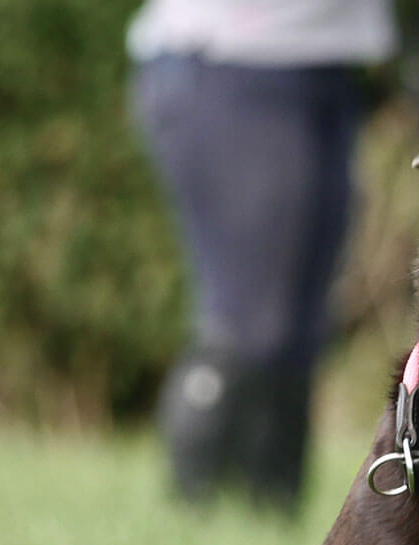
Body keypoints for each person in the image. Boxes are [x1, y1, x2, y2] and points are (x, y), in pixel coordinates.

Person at [127, 0, 396, 506]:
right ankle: (195, 512)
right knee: (250, 321)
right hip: (231, 64)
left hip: (324, 69)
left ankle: (272, 513)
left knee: (302, 327)